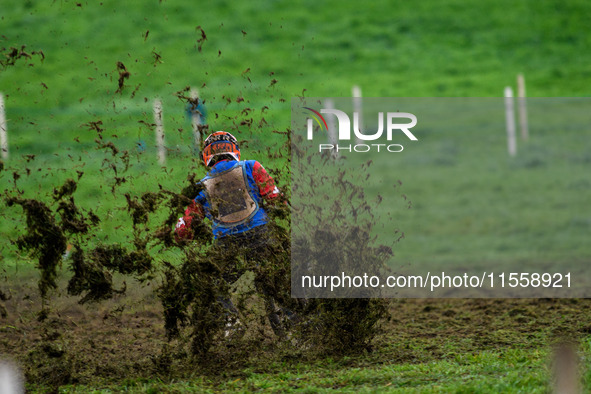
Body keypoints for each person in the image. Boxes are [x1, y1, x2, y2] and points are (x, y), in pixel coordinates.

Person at [175, 131, 290, 338]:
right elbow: (275, 199)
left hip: (228, 247)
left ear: (207, 157)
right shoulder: (251, 167)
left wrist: (179, 234)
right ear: (234, 151)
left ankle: (231, 319)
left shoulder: (201, 187)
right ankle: (297, 318)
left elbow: (185, 228)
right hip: (261, 236)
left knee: (210, 283)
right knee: (281, 278)